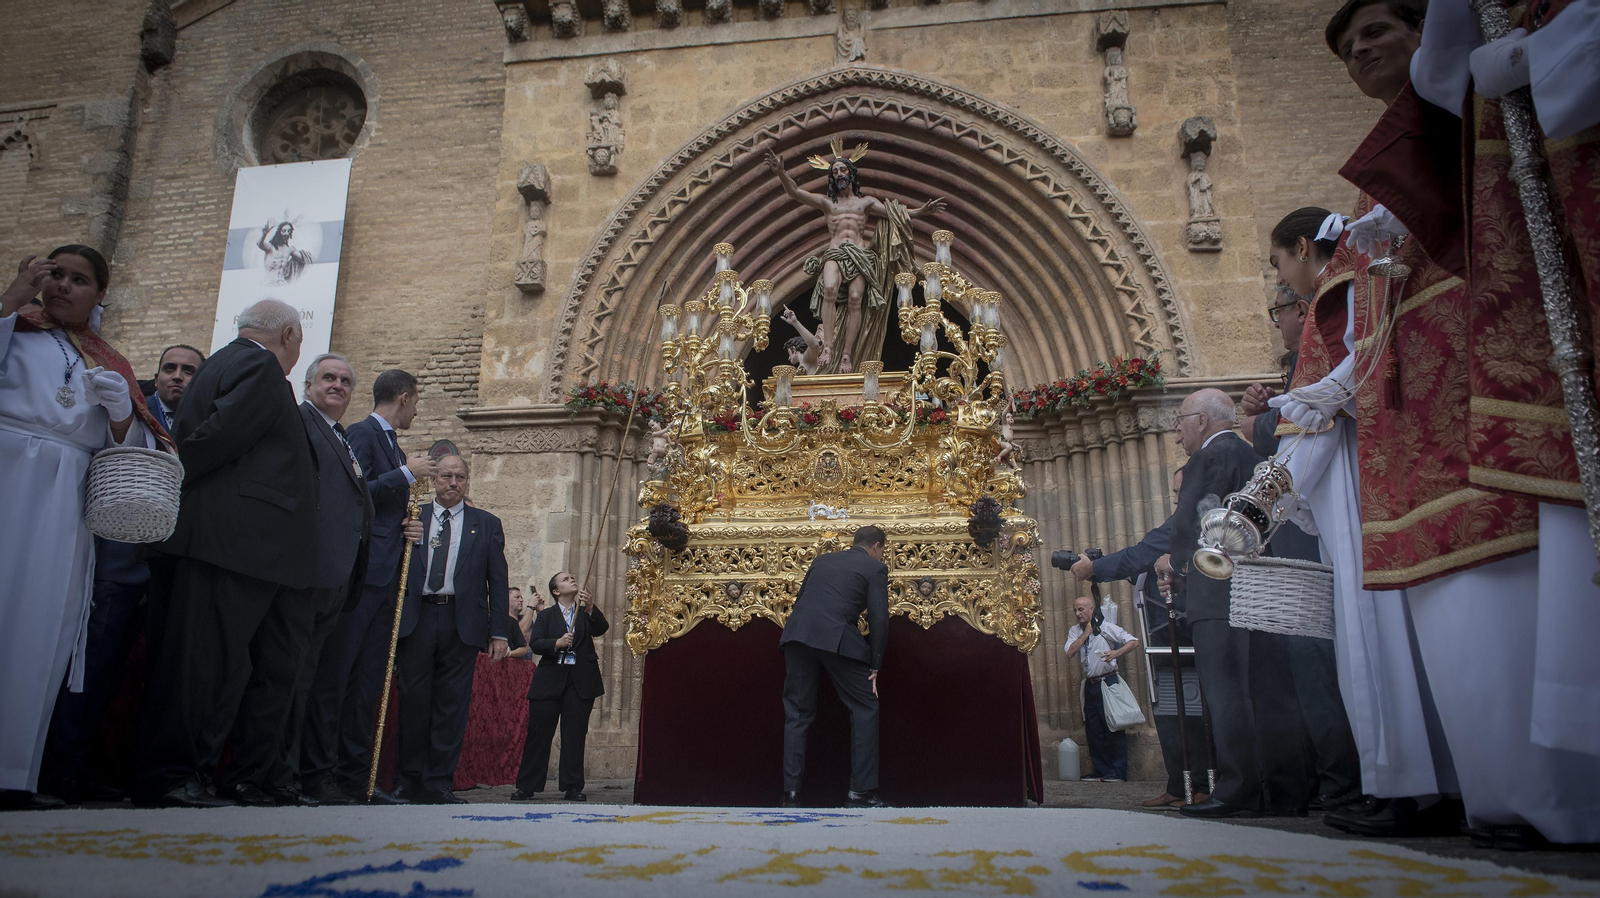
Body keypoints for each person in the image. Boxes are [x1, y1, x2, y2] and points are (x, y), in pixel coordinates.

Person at [1300, 0, 1600, 846]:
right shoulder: (1371, 184)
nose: (1363, 53)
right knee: (1453, 607)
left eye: (1378, 34)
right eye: (1349, 49)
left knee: (1517, 582)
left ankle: (1564, 798)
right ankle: (1497, 794)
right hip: (1409, 420)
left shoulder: (1476, 122)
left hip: (1487, 385)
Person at [132, 298, 318, 808]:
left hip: (237, 546)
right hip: (230, 544)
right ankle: (168, 774)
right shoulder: (257, 364)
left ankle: (217, 776)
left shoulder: (225, 363)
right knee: (196, 666)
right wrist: (178, 480)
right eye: (299, 342)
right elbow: (212, 439)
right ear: (287, 336)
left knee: (205, 663)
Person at [0, 245, 164, 811]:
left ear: (99, 295)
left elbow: (135, 454)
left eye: (79, 279)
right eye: (55, 276)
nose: (64, 286)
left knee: (47, 622)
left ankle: (14, 772)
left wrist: (121, 412)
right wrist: (10, 300)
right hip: (7, 468)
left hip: (66, 493)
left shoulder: (108, 361)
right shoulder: (13, 330)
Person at [1240, 208, 1364, 814]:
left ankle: (1356, 784)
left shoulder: (1337, 307)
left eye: (1279, 277)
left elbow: (1314, 422)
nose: (1282, 290)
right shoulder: (1329, 316)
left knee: (1342, 655)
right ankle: (1363, 783)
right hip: (1320, 500)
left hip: (1347, 488)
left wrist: (1253, 510)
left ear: (1301, 248)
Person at [1157, 389, 1304, 819]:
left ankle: (1238, 788)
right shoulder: (1256, 458)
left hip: (1220, 593)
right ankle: (1285, 791)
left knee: (1226, 694)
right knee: (1270, 690)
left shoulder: (1207, 457)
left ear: (1202, 421)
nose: (1179, 429)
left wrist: (1178, 570)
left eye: (1182, 419)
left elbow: (1189, 524)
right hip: (1265, 590)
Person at [328, 368, 434, 804]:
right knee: (344, 676)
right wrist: (406, 474)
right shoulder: (363, 433)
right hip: (365, 574)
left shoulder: (391, 442)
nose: (416, 410)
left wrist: (406, 525)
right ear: (405, 398)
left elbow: (383, 509)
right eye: (417, 402)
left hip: (388, 574)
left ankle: (359, 778)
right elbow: (355, 493)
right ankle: (329, 774)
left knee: (370, 681)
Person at [1074, 467, 1209, 808]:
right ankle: (1179, 784)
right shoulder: (1182, 519)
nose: (1176, 497)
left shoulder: (1191, 522)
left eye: (1181, 490)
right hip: (1162, 632)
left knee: (1189, 710)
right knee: (1170, 709)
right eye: (1175, 491)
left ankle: (1201, 784)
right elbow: (1144, 561)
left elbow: (1140, 555)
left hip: (1180, 630)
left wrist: (1095, 567)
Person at [763, 141, 943, 372]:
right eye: (835, 171)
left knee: (856, 299)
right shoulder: (828, 203)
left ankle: (846, 355)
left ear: (851, 173)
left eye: (842, 170)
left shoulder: (865, 203)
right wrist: (781, 173)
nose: (839, 174)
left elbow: (895, 214)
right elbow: (795, 192)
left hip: (859, 255)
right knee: (829, 289)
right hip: (835, 252)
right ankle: (827, 346)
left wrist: (921, 211)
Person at [285, 353, 377, 806]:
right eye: (328, 378)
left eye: (345, 380)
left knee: (308, 680)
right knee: (287, 678)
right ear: (308, 384)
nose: (337, 385)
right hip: (307, 573)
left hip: (336, 580)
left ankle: (295, 776)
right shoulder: (300, 424)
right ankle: (278, 776)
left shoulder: (342, 436)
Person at [396, 454, 510, 804]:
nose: (453, 482)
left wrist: (499, 631)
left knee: (451, 705)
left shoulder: (486, 523)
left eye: (460, 477)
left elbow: (498, 581)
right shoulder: (415, 517)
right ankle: (408, 780)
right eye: (446, 476)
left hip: (461, 622)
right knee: (414, 702)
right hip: (417, 617)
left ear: (467, 481)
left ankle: (438, 782)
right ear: (434, 480)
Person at [777, 525, 891, 809]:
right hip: (836, 636)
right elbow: (879, 620)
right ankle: (861, 793)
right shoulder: (874, 568)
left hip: (797, 635)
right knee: (865, 705)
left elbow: (803, 599)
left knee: (798, 713)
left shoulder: (822, 560)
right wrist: (875, 665)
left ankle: (790, 794)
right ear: (876, 547)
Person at [513, 572, 609, 801]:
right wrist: (556, 643)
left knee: (575, 734)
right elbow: (535, 644)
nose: (572, 580)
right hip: (550, 680)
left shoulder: (584, 613)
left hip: (580, 680)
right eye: (565, 579)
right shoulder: (546, 616)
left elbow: (601, 628)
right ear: (556, 591)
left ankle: (573, 786)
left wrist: (591, 605)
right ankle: (527, 785)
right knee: (539, 733)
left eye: (572, 578)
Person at [1065, 596, 1140, 783]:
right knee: (1093, 729)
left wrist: (1116, 652)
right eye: (1075, 610)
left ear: (1092, 609)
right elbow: (1070, 652)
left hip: (1107, 682)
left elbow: (1133, 641)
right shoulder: (1075, 631)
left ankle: (1118, 771)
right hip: (1090, 684)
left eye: (1081, 609)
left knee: (1114, 726)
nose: (1078, 613)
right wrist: (1086, 633)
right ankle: (1101, 769)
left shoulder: (1106, 627)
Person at [143, 344, 204, 433]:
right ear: (156, 380)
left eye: (188, 371)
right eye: (169, 368)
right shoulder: (136, 415)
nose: (177, 376)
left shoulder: (210, 420)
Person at [778, 307, 829, 375]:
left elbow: (814, 345)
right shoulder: (804, 362)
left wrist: (795, 322)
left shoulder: (807, 359)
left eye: (789, 352)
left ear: (794, 349)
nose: (788, 358)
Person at [506, 588, 532, 660]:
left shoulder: (528, 620)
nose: (521, 600)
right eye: (517, 597)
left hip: (527, 664)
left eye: (521, 597)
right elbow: (520, 632)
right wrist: (531, 607)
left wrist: (540, 611)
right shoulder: (502, 621)